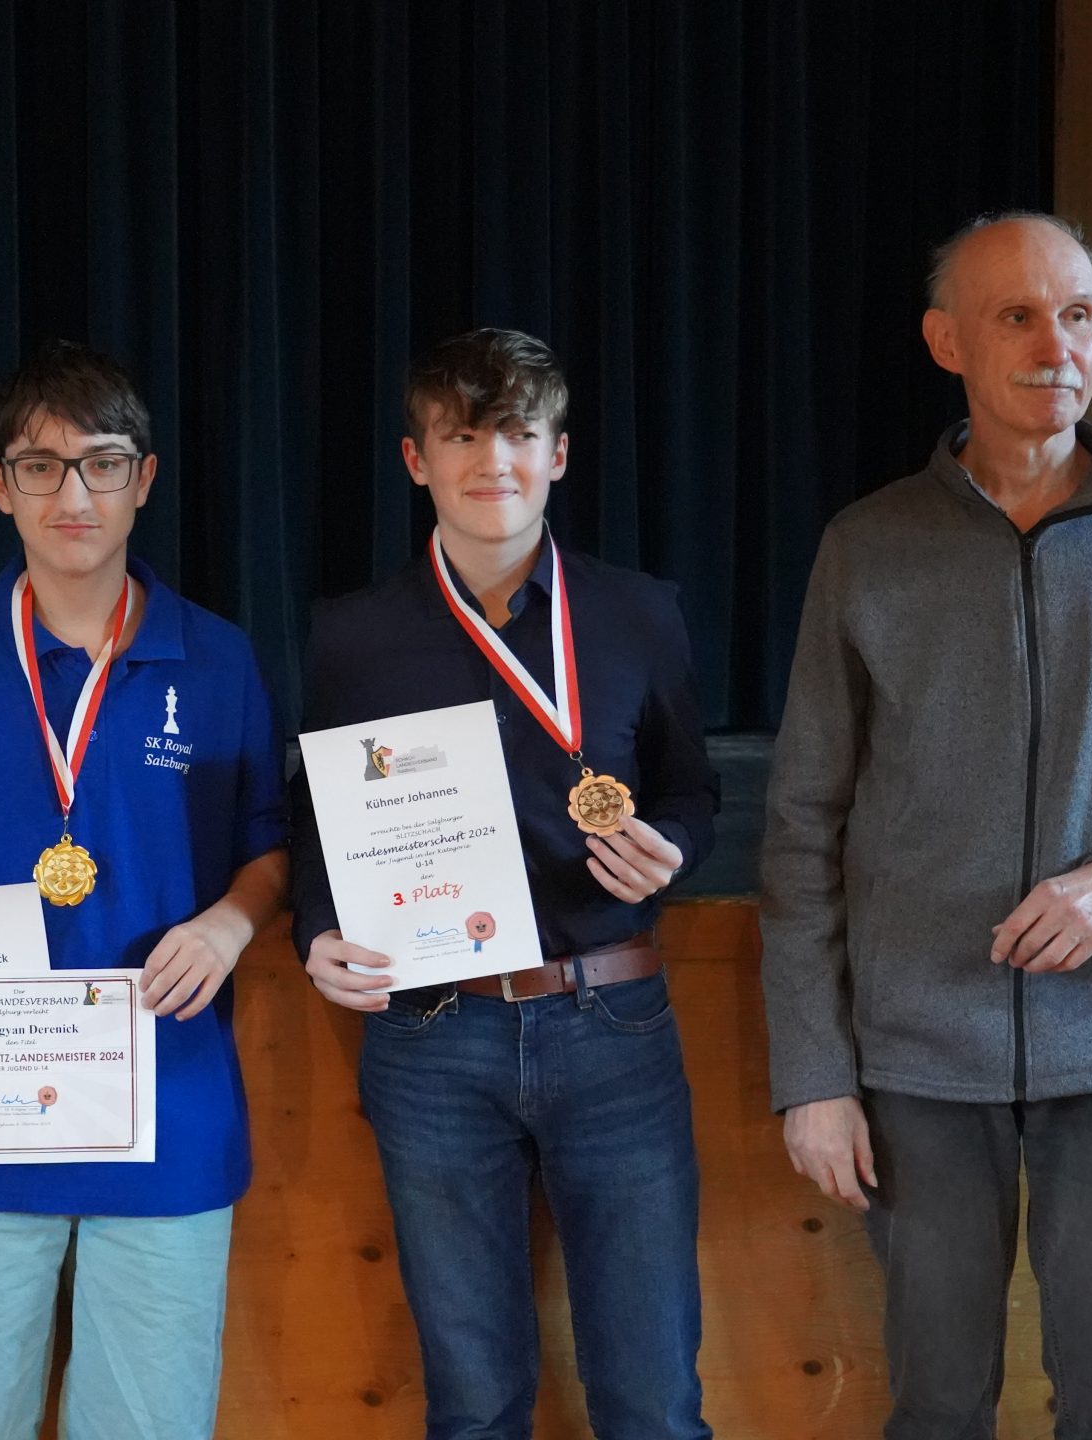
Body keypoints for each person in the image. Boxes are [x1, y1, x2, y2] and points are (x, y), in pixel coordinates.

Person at [760, 212, 1092, 1439]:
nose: (1055, 347)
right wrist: (815, 1074)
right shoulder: (867, 549)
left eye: (1077, 315)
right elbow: (801, 829)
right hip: (918, 1059)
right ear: (946, 341)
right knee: (938, 1407)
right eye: (1017, 316)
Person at [0, 340, 289, 1440]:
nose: (73, 496)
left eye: (102, 463)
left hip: (166, 1116)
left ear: (144, 478)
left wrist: (230, 924)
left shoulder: (217, 659)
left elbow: (269, 847)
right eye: (40, 466)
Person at [291, 327, 720, 1439]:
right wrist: (317, 930)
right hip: (433, 1037)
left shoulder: (638, 612)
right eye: (462, 436)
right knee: (474, 1406)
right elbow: (317, 824)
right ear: (415, 458)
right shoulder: (352, 637)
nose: (494, 461)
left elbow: (690, 789)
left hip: (613, 1022)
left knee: (653, 1403)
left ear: (558, 454)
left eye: (520, 434)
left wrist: (674, 844)